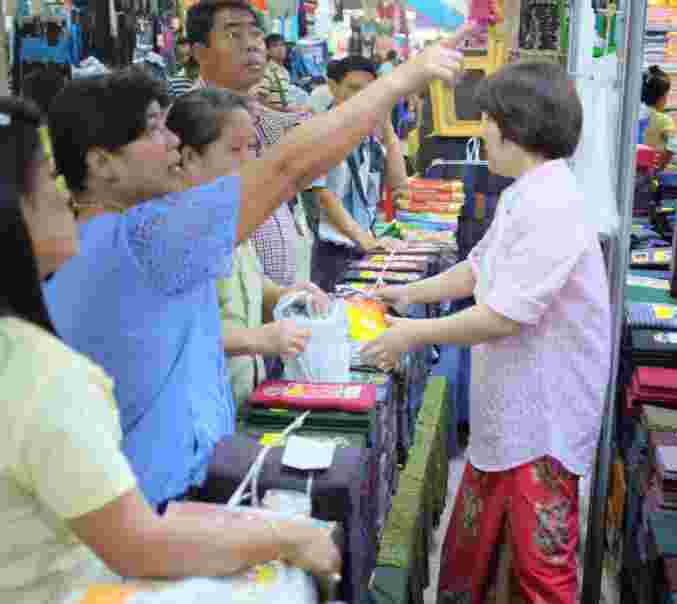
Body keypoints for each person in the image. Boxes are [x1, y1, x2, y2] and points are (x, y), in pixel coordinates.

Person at [0, 96, 341, 603]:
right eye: (49, 178)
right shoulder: (39, 373)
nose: (65, 195)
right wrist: (285, 537)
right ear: (1, 212)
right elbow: (138, 545)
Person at [44, 34, 468, 508]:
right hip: (158, 498)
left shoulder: (119, 233)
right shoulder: (143, 237)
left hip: (178, 482)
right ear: (101, 162)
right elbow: (288, 167)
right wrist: (402, 79)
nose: (172, 142)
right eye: (153, 130)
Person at [362, 61, 611, 604]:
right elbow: (477, 269)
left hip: (542, 420)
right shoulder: (526, 193)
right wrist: (406, 293)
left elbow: (503, 315)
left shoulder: (553, 204)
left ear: (516, 126)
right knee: (481, 558)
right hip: (512, 409)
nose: (482, 130)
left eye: (488, 119)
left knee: (539, 572)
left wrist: (413, 334)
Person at [166, 89, 328, 406]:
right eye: (234, 149)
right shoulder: (169, 229)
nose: (248, 161)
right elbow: (171, 333)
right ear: (189, 157)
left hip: (243, 392)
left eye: (251, 147)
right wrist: (254, 339)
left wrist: (284, 295)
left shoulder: (227, 211)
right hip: (197, 403)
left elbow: (245, 285)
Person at [188, 0, 312, 287]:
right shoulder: (186, 124)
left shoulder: (263, 116)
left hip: (275, 299)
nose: (252, 45)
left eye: (256, 34)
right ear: (200, 52)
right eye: (233, 34)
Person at [311, 55, 408, 292]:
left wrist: (387, 128)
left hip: (366, 246)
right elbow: (323, 195)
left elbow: (399, 186)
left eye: (368, 90)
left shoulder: (367, 136)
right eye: (354, 88)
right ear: (333, 87)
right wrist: (364, 240)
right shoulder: (320, 132)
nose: (362, 97)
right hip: (335, 252)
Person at [254, 33, 293, 111]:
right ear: (267, 51)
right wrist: (284, 110)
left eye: (282, 45)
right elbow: (260, 101)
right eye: (275, 46)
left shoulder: (285, 71)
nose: (280, 49)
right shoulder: (266, 70)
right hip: (275, 116)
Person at [641, 65, 675, 150]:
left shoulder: (633, 116)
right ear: (661, 97)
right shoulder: (664, 121)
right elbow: (673, 147)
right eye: (666, 95)